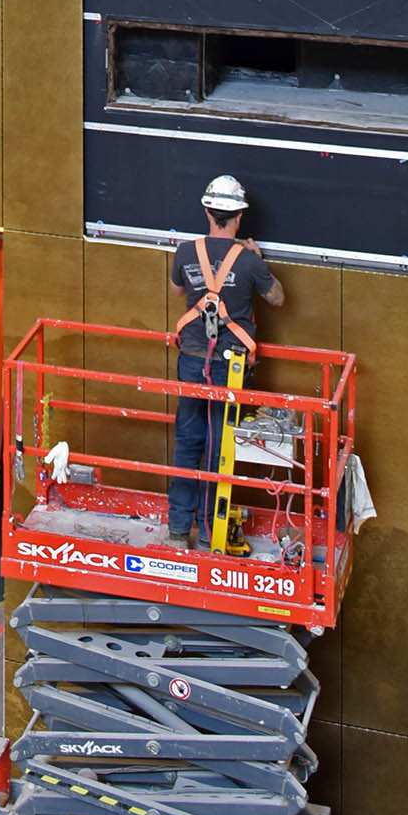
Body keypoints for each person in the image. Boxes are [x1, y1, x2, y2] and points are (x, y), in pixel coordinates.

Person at [166, 172, 283, 550]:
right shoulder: (249, 261)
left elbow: (177, 288)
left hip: (191, 359)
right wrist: (257, 262)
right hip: (230, 367)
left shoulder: (186, 253)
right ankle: (209, 535)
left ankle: (178, 530)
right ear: (239, 216)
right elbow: (278, 298)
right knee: (220, 448)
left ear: (206, 210)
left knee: (187, 442)